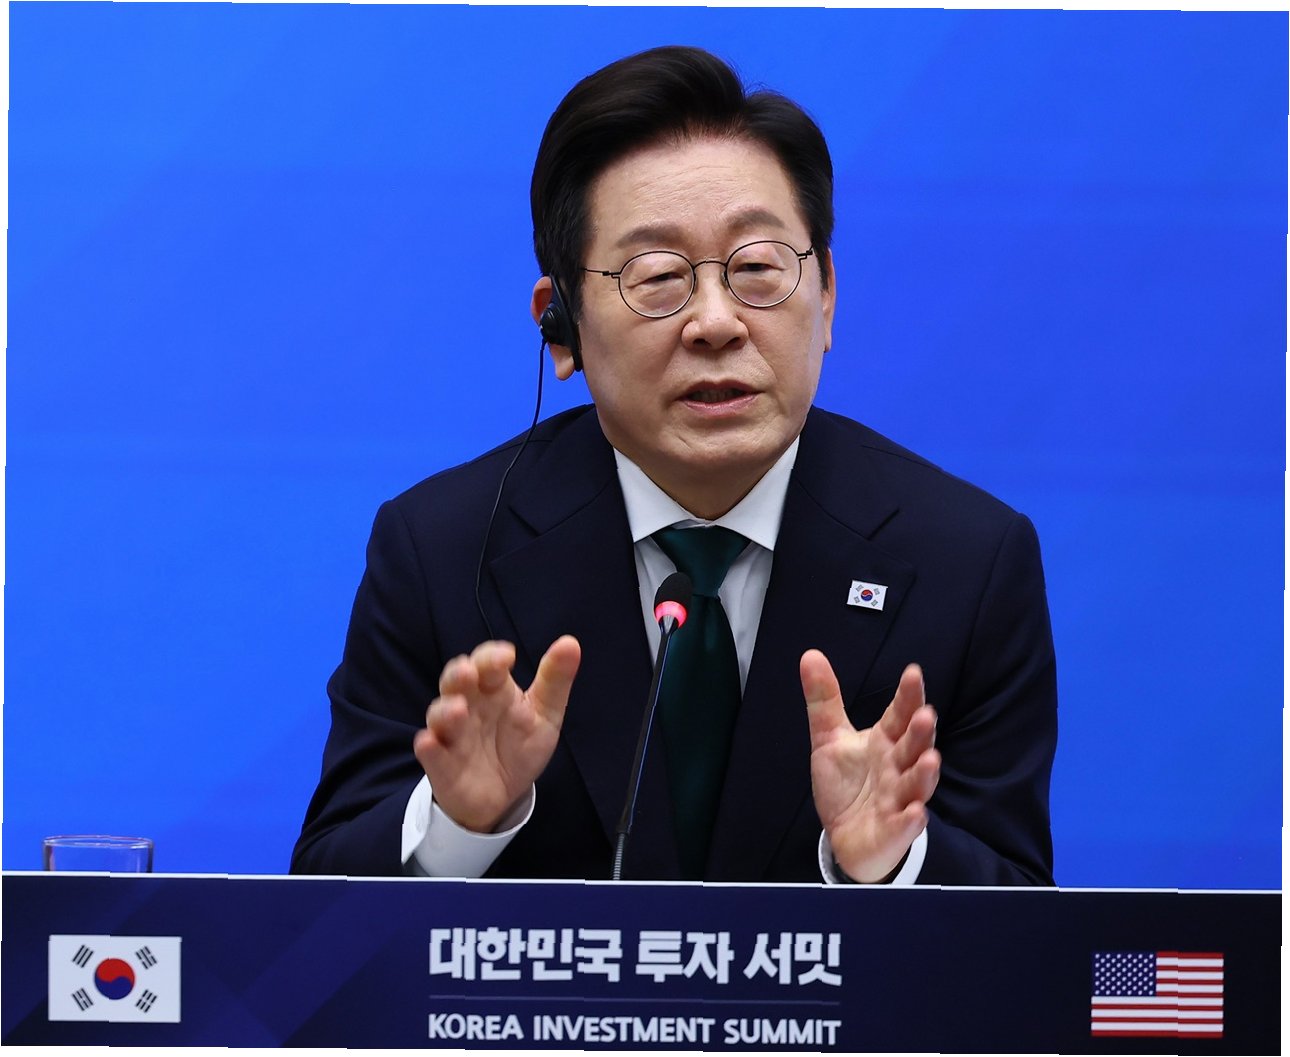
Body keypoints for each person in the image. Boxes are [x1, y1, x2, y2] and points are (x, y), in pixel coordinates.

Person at [291, 45, 1057, 886]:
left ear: (827, 294)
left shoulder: (967, 562)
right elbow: (319, 909)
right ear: (561, 328)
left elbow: (1025, 927)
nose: (716, 323)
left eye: (757, 268)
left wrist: (892, 859)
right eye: (658, 277)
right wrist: (457, 823)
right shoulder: (441, 551)